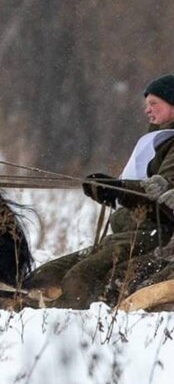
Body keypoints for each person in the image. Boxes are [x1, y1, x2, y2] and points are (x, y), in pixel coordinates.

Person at [23, 74, 174, 307]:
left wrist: (119, 190)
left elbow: (161, 192)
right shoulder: (156, 140)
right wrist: (110, 188)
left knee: (78, 279)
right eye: (146, 104)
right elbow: (142, 186)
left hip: (153, 236)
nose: (147, 110)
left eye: (154, 103)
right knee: (43, 277)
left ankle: (64, 325)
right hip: (125, 231)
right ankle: (20, 304)